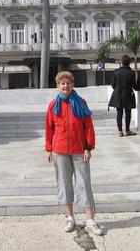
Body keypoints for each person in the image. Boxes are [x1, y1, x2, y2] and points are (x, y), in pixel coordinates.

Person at [45, 71, 103, 236]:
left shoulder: (81, 102)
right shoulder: (53, 105)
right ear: (58, 86)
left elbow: (88, 127)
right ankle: (70, 217)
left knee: (84, 184)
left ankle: (90, 219)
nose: (65, 86)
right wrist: (49, 149)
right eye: (62, 83)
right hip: (60, 150)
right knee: (64, 184)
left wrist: (88, 147)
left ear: (72, 85)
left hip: (79, 150)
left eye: (68, 83)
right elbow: (49, 128)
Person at [108, 54, 137, 137]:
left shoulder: (116, 72)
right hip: (128, 94)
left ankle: (120, 131)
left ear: (121, 62)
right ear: (129, 63)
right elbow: (134, 86)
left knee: (119, 113)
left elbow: (113, 84)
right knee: (128, 113)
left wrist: (117, 89)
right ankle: (127, 130)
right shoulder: (131, 73)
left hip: (118, 94)